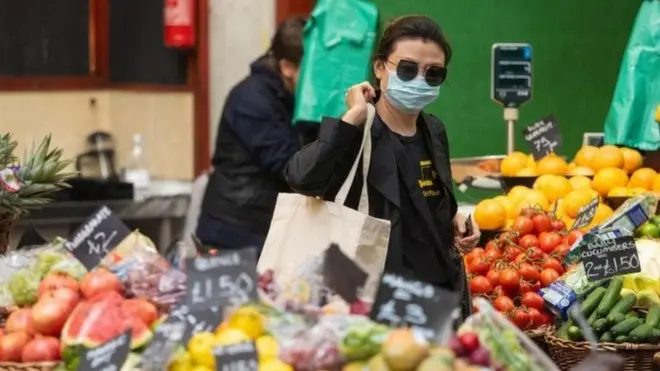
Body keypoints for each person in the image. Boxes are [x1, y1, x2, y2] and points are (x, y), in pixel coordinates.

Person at [285, 15, 480, 316]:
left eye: (433, 73)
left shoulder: (433, 131)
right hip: (371, 299)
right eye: (407, 68)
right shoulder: (358, 131)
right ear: (379, 67)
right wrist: (352, 117)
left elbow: (429, 198)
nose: (419, 80)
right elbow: (300, 176)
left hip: (434, 294)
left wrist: (456, 221)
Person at [197, 16, 306, 252]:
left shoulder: (286, 97)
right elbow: (292, 168)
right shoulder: (252, 100)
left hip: (259, 229)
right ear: (287, 67)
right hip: (234, 233)